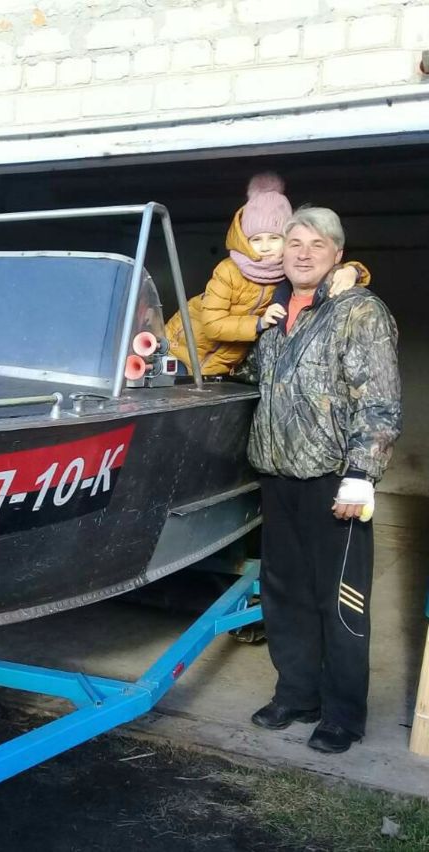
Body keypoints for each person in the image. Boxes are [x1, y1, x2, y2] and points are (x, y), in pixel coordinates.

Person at [239, 206, 402, 754]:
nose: (303, 254)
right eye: (294, 244)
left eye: (316, 244)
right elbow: (255, 380)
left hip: (334, 482)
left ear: (338, 254)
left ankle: (342, 715)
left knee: (341, 600)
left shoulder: (360, 311)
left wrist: (361, 474)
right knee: (285, 595)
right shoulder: (273, 314)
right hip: (277, 475)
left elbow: (379, 401)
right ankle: (297, 694)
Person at [165, 174, 370, 376]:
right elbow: (211, 325)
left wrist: (353, 270)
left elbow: (321, 266)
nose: (264, 247)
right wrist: (259, 323)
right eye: (256, 239)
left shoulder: (287, 270)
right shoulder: (229, 270)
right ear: (245, 241)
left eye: (274, 238)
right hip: (179, 348)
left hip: (216, 366)